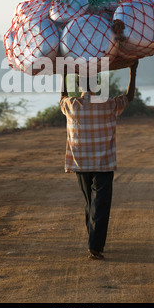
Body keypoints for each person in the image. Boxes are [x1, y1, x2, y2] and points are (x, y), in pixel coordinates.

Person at [60, 61, 139, 260]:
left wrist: (63, 75)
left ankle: (94, 242)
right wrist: (133, 70)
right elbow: (129, 97)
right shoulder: (108, 104)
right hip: (103, 164)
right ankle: (94, 245)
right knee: (101, 204)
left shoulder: (72, 105)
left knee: (90, 203)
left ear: (79, 85)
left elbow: (62, 96)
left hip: (81, 163)